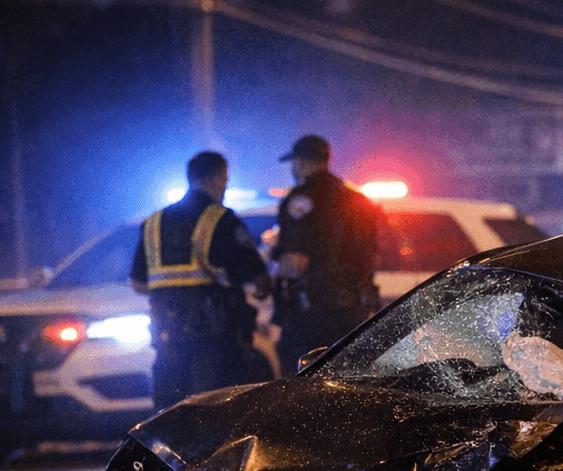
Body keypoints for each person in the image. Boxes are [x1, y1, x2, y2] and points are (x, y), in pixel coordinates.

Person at [131, 151, 272, 409]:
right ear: (218, 179)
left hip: (167, 339)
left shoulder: (152, 223)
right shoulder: (221, 219)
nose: (225, 187)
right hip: (215, 341)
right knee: (214, 415)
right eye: (225, 181)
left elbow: (139, 283)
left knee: (169, 417)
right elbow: (259, 279)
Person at [272, 134, 381, 372]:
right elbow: (371, 257)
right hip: (352, 310)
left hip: (311, 313)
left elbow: (296, 262)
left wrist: (273, 272)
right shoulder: (357, 199)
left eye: (293, 163)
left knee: (304, 383)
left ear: (301, 162)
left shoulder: (300, 201)